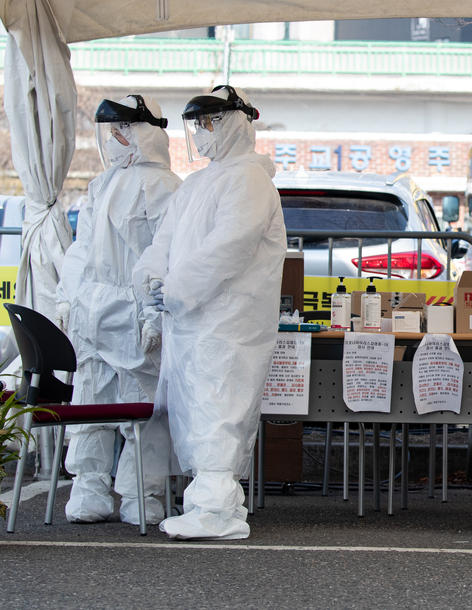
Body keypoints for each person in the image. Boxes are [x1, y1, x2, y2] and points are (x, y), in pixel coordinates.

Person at [133, 85, 286, 540]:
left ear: (239, 123)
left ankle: (216, 509)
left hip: (228, 322)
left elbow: (230, 246)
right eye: (198, 123)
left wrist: (177, 289)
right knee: (196, 409)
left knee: (220, 406)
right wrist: (152, 280)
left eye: (211, 122)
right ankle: (211, 503)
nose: (202, 132)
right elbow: (163, 243)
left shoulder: (250, 180)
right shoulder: (197, 184)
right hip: (191, 320)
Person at [56, 94, 181, 524]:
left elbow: (166, 256)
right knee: (91, 397)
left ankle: (139, 492)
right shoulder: (101, 184)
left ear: (140, 133)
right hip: (92, 314)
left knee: (142, 409)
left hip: (133, 316)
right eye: (109, 133)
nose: (113, 140)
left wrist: (153, 314)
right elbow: (82, 250)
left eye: (119, 131)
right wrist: (65, 297)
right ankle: (88, 487)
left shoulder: (165, 188)